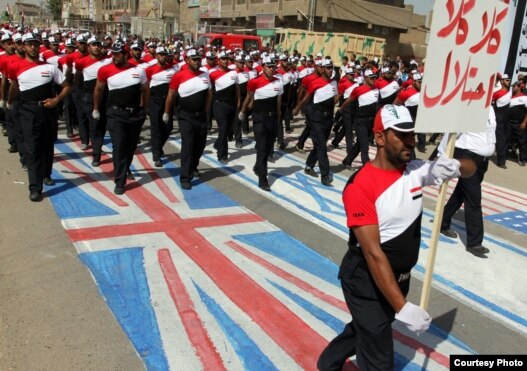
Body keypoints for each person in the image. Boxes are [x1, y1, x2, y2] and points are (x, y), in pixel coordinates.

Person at [317, 105, 474, 370]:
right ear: (379, 138)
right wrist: (402, 307)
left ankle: (328, 362)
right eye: (401, 135)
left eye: (412, 135)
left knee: (366, 328)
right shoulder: (361, 186)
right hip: (366, 280)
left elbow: (472, 167)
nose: (410, 141)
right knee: (378, 356)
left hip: (399, 279)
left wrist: (456, 165)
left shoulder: (415, 170)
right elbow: (372, 253)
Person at [7, 32, 71, 202]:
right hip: (27, 111)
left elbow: (66, 87)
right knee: (32, 148)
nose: (33, 47)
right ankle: (35, 188)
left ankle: (47, 174)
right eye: (29, 44)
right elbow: (13, 85)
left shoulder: (50, 68)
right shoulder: (16, 66)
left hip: (48, 111)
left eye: (36, 44)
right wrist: (9, 101)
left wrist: (56, 100)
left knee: (47, 145)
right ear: (24, 46)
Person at [440, 107, 498, 258]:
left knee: (461, 193)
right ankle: (474, 243)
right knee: (473, 200)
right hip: (467, 156)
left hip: (482, 160)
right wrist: (441, 154)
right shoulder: (469, 106)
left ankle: (442, 221)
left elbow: (490, 132)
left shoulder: (490, 108)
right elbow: (451, 131)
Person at [93, 41, 148, 195]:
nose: (114, 57)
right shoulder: (105, 70)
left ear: (125, 55)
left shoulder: (139, 71)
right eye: (112, 53)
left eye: (117, 54)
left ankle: (124, 169)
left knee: (130, 147)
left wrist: (144, 109)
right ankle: (120, 180)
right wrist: (96, 108)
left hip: (135, 114)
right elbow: (98, 90)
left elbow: (145, 90)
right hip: (115, 114)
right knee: (119, 146)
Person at [163, 48, 212, 190]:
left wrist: (207, 112)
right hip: (185, 116)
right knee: (188, 146)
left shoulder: (205, 75)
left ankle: (193, 166)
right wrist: (167, 113)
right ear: (187, 60)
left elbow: (209, 94)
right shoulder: (178, 76)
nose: (197, 61)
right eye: (194, 59)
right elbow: (171, 95)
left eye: (198, 59)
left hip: (201, 116)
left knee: (200, 145)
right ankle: (185, 177)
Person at [239, 55, 283, 192]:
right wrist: (242, 111)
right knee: (262, 148)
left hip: (272, 118)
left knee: (268, 148)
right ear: (263, 67)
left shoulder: (278, 82)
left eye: (273, 66)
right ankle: (263, 180)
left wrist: (278, 118)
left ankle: (258, 167)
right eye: (269, 66)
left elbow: (278, 102)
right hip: (259, 118)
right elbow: (249, 97)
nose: (271, 69)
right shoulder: (254, 82)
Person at [293, 59, 338, 186]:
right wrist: (297, 108)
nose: (330, 70)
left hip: (328, 118)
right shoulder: (315, 83)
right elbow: (306, 98)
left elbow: (335, 97)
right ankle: (325, 175)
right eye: (328, 68)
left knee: (320, 144)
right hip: (316, 117)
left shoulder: (334, 82)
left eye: (332, 68)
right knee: (322, 146)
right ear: (323, 69)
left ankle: (309, 165)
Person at [75, 36, 111, 166]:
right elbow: (77, 79)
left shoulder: (108, 61)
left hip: (105, 96)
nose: (96, 47)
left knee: (102, 125)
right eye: (93, 45)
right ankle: (96, 154)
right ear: (89, 47)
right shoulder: (81, 62)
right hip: (89, 97)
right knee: (94, 126)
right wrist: (81, 96)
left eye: (98, 45)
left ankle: (97, 145)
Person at [145, 46, 178, 167]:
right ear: (157, 56)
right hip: (155, 101)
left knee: (168, 128)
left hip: (168, 102)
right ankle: (156, 155)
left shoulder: (173, 69)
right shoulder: (150, 70)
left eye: (165, 54)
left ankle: (158, 147)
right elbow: (146, 88)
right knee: (156, 129)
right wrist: (146, 105)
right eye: (161, 54)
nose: (164, 57)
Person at [209, 51, 239, 164]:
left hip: (231, 105)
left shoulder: (234, 73)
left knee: (226, 130)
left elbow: (237, 90)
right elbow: (210, 91)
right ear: (218, 60)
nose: (225, 61)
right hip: (218, 105)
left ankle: (218, 144)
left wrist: (238, 104)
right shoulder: (212, 74)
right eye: (223, 59)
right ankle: (222, 155)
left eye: (227, 59)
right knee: (223, 127)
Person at [492, 74, 511, 169]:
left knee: (507, 138)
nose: (509, 82)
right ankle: (501, 161)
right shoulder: (497, 93)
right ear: (502, 81)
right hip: (499, 119)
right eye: (507, 80)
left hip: (507, 120)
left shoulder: (510, 92)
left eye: (509, 80)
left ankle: (503, 156)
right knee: (501, 140)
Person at [508, 80, 527, 166]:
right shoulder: (509, 97)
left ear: (519, 87)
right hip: (509, 123)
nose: (513, 87)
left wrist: (524, 122)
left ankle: (523, 159)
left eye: (515, 86)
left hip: (519, 124)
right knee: (506, 140)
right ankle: (507, 155)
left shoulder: (525, 98)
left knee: (521, 142)